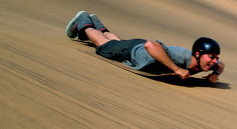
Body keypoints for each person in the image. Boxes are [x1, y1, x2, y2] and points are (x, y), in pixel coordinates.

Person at [66, 11, 224, 82]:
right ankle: (84, 23)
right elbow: (151, 45)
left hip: (138, 47)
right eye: (211, 57)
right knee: (103, 44)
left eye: (216, 58)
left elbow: (221, 65)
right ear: (198, 54)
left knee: (117, 42)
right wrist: (176, 69)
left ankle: (97, 23)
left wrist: (216, 73)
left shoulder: (204, 64)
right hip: (135, 52)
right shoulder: (181, 57)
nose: (214, 61)